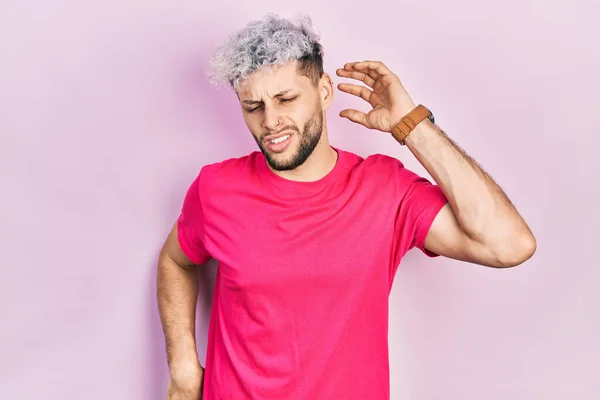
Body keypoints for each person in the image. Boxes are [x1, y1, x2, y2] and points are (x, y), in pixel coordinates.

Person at [156, 13, 536, 400]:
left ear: (323, 90)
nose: (270, 121)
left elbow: (508, 245)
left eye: (286, 99)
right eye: (253, 106)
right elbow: (175, 260)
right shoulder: (216, 189)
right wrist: (184, 366)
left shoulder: (386, 190)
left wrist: (411, 124)